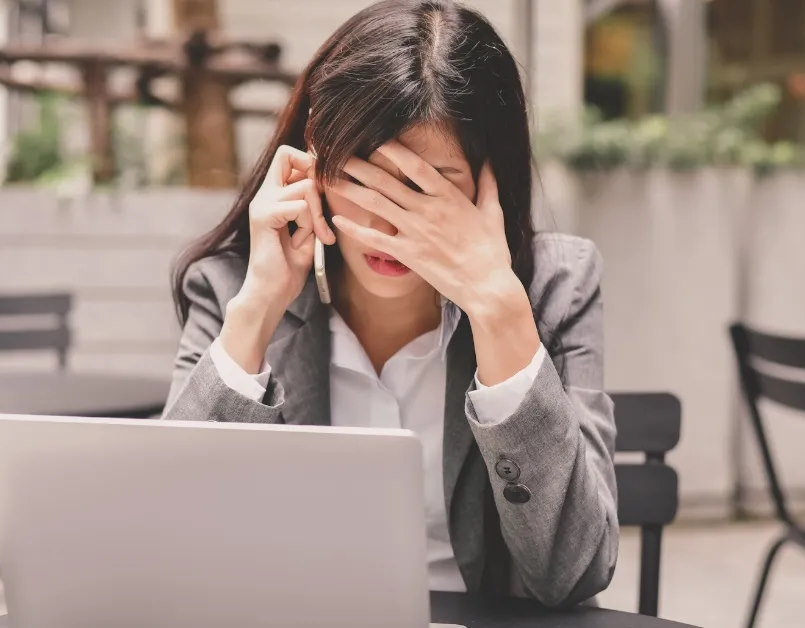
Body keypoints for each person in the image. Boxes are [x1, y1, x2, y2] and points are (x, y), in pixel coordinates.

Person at [163, 0, 617, 608]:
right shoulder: (230, 288)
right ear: (312, 165)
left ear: (490, 183)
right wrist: (258, 308)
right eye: (363, 178)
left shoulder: (554, 287)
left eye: (429, 186)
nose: (388, 223)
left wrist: (500, 313)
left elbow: (575, 572)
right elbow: (168, 541)